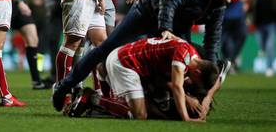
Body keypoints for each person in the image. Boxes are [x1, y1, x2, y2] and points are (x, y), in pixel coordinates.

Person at [53, 0, 237, 111]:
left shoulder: (218, 7)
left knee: (188, 62)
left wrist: (209, 80)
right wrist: (165, 29)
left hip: (172, 27)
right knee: (104, 49)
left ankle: (173, 103)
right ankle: (63, 87)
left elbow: (212, 42)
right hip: (144, 13)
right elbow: (169, 1)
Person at [68, 37, 220, 121]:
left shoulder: (194, 56)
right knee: (139, 115)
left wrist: (207, 99)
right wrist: (186, 116)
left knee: (133, 109)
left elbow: (218, 76)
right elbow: (176, 86)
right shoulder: (182, 58)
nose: (191, 82)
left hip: (128, 60)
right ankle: (93, 98)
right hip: (126, 63)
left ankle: (99, 103)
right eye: (195, 80)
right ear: (198, 71)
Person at [221, 0, 251, 73]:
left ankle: (231, 60)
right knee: (225, 41)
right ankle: (229, 62)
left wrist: (247, 5)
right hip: (228, 15)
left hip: (240, 16)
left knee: (243, 35)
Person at [253, 0, 276, 77]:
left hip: (271, 25)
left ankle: (269, 68)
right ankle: (267, 64)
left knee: (269, 46)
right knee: (262, 47)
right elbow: (251, 10)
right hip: (259, 26)